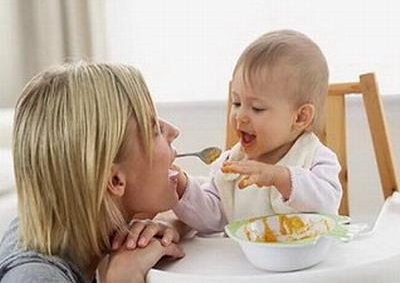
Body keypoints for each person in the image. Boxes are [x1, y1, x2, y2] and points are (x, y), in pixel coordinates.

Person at [0, 62, 185, 283]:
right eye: (155, 130)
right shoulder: (36, 278)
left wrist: (168, 225)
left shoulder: (59, 223)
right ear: (115, 180)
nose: (174, 132)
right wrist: (123, 278)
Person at [171, 30, 343, 233]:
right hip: (246, 263)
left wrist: (280, 177)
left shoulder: (315, 158)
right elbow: (212, 217)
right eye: (236, 102)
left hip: (308, 262)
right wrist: (181, 186)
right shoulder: (232, 164)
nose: (240, 116)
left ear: (300, 117)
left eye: (257, 108)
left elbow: (328, 202)